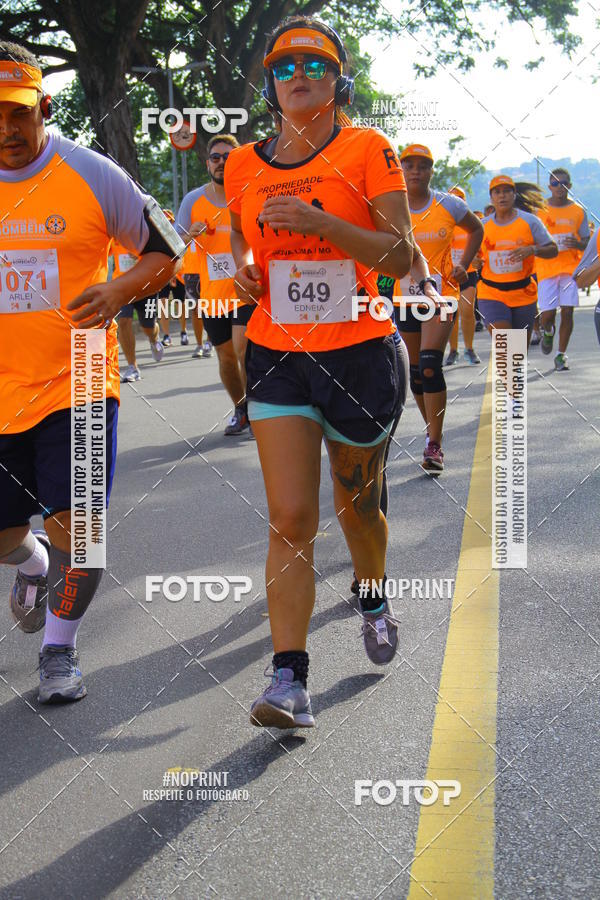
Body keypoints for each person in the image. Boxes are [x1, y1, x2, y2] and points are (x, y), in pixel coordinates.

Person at [225, 16, 414, 728]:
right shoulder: (243, 164)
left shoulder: (369, 148)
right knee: (291, 516)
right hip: (278, 355)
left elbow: (401, 258)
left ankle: (371, 593)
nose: (297, 74)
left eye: (314, 62)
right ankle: (288, 680)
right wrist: (247, 273)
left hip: (360, 355)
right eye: (282, 66)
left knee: (356, 506)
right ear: (269, 82)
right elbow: (247, 246)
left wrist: (324, 222)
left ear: (339, 78)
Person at [0, 42, 182, 702]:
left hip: (77, 381)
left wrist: (119, 291)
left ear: (43, 107)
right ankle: (32, 564)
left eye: (17, 113)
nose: (5, 128)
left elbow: (170, 249)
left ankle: (58, 650)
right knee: (7, 537)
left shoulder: (91, 173)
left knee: (83, 530)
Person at [395, 145, 483, 473]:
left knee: (431, 364)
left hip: (441, 295)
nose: (416, 171)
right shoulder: (392, 205)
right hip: (403, 297)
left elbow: (476, 229)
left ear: (432, 170)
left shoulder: (448, 203)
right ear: (401, 169)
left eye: (423, 166)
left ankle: (434, 443)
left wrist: (464, 262)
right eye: (410, 165)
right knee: (416, 374)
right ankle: (432, 427)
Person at [176, 135, 254, 435]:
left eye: (228, 156)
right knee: (225, 356)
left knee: (242, 347)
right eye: (216, 157)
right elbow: (173, 242)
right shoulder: (193, 201)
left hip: (246, 289)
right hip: (211, 294)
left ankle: (258, 408)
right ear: (208, 163)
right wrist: (188, 236)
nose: (222, 162)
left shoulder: (248, 196)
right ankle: (242, 408)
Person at [477, 176, 557, 347]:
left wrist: (532, 250)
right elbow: (472, 256)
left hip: (523, 293)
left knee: (517, 355)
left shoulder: (530, 222)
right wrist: (474, 262)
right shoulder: (482, 226)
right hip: (491, 293)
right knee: (506, 346)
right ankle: (506, 372)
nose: (502, 196)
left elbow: (553, 250)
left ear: (514, 195)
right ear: (491, 198)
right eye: (497, 192)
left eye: (507, 191)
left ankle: (510, 373)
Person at [536, 168, 590, 370]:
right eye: (556, 183)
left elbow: (586, 241)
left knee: (568, 312)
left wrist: (577, 244)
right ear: (550, 186)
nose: (560, 187)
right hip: (546, 269)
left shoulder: (578, 211)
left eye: (564, 183)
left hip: (569, 269)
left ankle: (561, 355)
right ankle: (548, 333)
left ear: (570, 185)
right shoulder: (540, 210)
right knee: (547, 316)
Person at [110, 240, 165, 382]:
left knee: (148, 327)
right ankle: (132, 367)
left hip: (147, 285)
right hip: (122, 285)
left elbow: (162, 248)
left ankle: (154, 339)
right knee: (123, 321)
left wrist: (143, 253)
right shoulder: (112, 227)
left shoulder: (145, 223)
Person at [446, 187, 481, 365]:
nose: (455, 201)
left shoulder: (471, 224)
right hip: (449, 276)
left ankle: (469, 348)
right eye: (452, 198)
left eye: (459, 198)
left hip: (468, 274)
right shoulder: (443, 222)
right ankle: (453, 350)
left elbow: (483, 249)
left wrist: (477, 258)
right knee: (452, 314)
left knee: (467, 310)